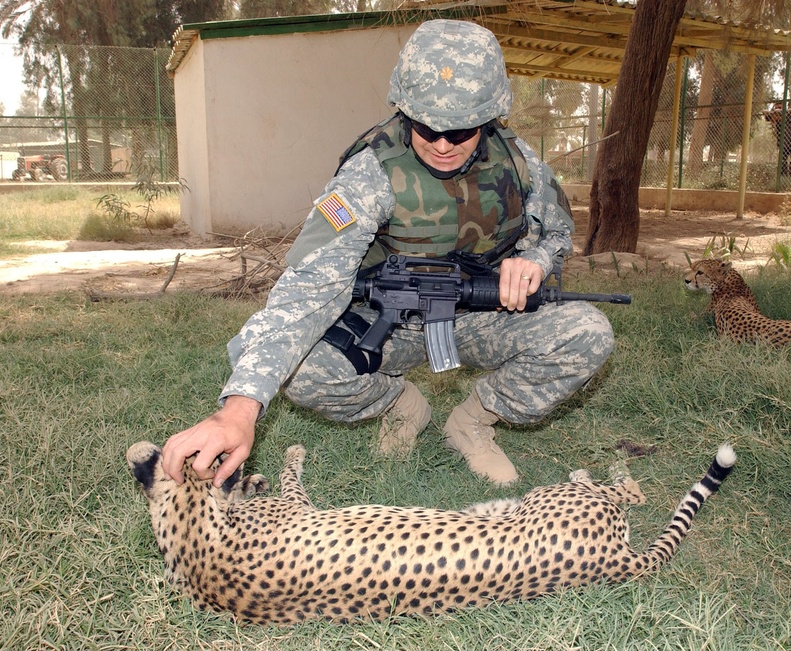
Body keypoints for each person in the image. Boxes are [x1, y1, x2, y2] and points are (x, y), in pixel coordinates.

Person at [162, 20, 615, 488]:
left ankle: (474, 421)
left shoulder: (520, 164)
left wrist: (537, 261)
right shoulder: (370, 174)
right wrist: (240, 407)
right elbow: (308, 289)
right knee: (306, 374)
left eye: (460, 131)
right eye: (425, 126)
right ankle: (401, 404)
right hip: (390, 318)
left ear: (490, 116)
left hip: (483, 311)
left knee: (587, 332)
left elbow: (557, 233)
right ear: (403, 109)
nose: (442, 144)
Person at [764, 101, 791, 179]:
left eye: (780, 107)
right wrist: (773, 113)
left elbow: (781, 113)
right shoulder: (775, 116)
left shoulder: (788, 114)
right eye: (777, 107)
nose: (778, 109)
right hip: (784, 144)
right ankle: (783, 179)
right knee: (782, 163)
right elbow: (765, 113)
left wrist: (777, 112)